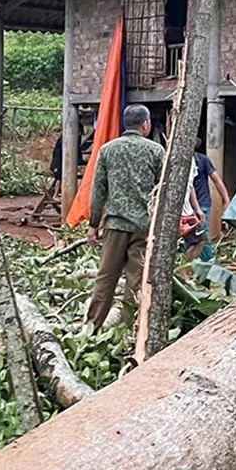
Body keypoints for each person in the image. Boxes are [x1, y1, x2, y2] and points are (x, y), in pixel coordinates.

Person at [86, 104, 163, 330]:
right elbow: (162, 190)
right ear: (145, 124)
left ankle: (91, 327)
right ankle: (129, 332)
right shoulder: (156, 151)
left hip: (115, 225)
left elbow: (98, 189)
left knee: (105, 278)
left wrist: (93, 225)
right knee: (136, 282)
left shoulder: (108, 150)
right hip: (143, 226)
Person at [182, 140, 232, 262]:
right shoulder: (182, 163)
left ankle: (208, 266)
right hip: (186, 207)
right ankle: (201, 266)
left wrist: (226, 200)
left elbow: (216, 180)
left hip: (201, 204)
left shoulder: (202, 160)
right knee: (191, 240)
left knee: (201, 239)